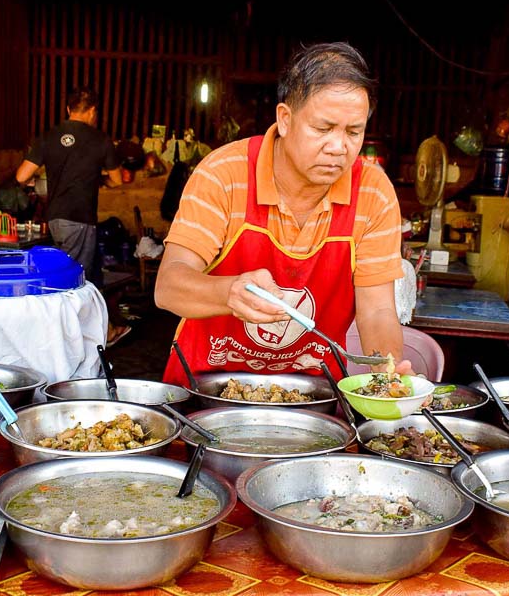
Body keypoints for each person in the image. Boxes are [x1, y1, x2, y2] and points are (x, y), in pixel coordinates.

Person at [154, 42, 410, 385]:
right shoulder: (224, 173)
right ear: (285, 119)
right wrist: (228, 292)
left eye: (353, 132)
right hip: (205, 384)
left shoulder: (373, 192)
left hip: (312, 393)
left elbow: (377, 310)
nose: (338, 148)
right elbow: (168, 286)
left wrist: (388, 376)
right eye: (323, 128)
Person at [15, 87, 129, 347]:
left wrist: (41, 181)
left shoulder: (49, 136)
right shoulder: (100, 140)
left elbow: (22, 176)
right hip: (80, 218)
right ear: (92, 112)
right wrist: (95, 179)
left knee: (82, 272)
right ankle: (67, 340)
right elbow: (116, 179)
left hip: (55, 218)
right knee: (75, 280)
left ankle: (102, 330)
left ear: (68, 110)